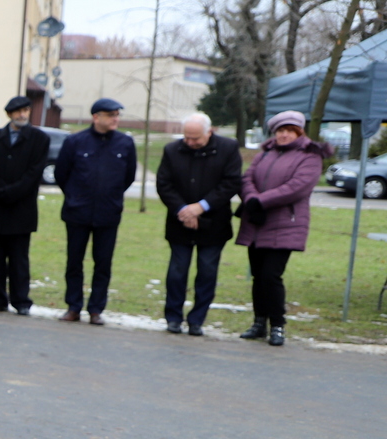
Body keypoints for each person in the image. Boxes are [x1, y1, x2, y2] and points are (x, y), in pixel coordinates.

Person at [235, 110, 331, 347]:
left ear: (299, 132)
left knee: (271, 275)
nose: (284, 135)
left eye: (289, 131)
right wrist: (252, 198)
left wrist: (262, 199)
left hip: (285, 224)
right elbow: (247, 178)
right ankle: (259, 322)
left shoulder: (310, 155)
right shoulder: (265, 153)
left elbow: (298, 187)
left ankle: (277, 325)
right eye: (280, 131)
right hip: (258, 222)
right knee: (258, 276)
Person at [156, 113, 242, 336]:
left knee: (207, 272)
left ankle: (197, 320)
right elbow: (164, 184)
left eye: (196, 138)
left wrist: (201, 207)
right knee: (177, 272)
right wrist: (183, 210)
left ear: (209, 132)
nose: (191, 142)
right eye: (187, 138)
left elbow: (231, 182)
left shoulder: (228, 148)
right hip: (180, 223)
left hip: (214, 223)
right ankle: (173, 317)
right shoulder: (172, 150)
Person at [55, 98, 136, 325]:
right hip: (77, 212)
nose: (115, 119)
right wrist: (74, 197)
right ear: (96, 117)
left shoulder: (125, 143)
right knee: (74, 261)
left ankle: (96, 309)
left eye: (117, 115)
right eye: (111, 115)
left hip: (108, 213)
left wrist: (111, 197)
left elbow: (127, 177)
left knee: (103, 263)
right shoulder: (75, 141)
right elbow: (62, 174)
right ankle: (73, 306)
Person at [0, 95, 50, 314]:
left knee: (19, 259)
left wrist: (13, 192)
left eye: (26, 111)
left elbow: (34, 173)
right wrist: (0, 190)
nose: (22, 115)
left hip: (22, 208)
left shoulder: (39, 139)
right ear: (9, 114)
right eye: (18, 111)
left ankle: (21, 301)